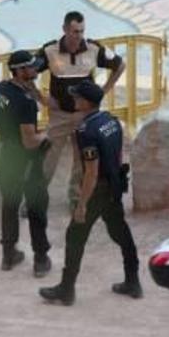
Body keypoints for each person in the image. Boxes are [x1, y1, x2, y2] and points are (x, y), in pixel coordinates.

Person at [39, 80, 140, 306]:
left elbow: (91, 171)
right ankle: (133, 280)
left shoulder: (86, 131)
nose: (74, 100)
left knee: (74, 236)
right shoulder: (111, 121)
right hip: (114, 186)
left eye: (76, 97)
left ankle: (66, 289)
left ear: (85, 102)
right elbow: (117, 154)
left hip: (96, 190)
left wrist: (82, 204)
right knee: (120, 233)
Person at [36, 11, 126, 198]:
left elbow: (120, 65)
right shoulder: (49, 50)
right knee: (48, 157)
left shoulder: (94, 49)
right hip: (59, 114)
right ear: (64, 29)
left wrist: (103, 91)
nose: (79, 36)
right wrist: (42, 98)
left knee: (82, 158)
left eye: (82, 31)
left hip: (86, 116)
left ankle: (75, 196)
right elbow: (26, 72)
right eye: (75, 31)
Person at [0, 50, 52, 275]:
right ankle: (41, 259)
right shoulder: (25, 103)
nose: (37, 70)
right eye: (33, 67)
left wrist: (33, 90)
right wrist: (47, 135)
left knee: (9, 204)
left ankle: (8, 255)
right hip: (26, 161)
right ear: (20, 70)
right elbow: (29, 141)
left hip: (6, 156)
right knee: (36, 208)